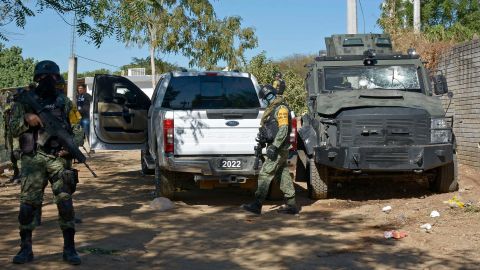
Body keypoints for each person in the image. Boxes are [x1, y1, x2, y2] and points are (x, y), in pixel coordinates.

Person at [10, 60, 83, 265]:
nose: (47, 81)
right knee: (27, 207)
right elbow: (13, 128)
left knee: (65, 204)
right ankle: (25, 249)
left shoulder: (65, 102)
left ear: (57, 79)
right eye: (43, 78)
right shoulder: (24, 102)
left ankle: (69, 249)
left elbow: (78, 129)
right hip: (33, 159)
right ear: (37, 79)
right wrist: (27, 118)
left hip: (58, 159)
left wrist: (70, 147)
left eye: (51, 77)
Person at [241, 84, 298, 215]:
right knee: (282, 175)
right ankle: (292, 205)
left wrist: (274, 146)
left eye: (269, 96)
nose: (268, 99)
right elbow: (273, 129)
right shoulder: (272, 110)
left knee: (265, 174)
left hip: (279, 148)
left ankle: (257, 204)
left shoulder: (281, 108)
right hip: (278, 147)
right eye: (266, 97)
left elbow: (283, 130)